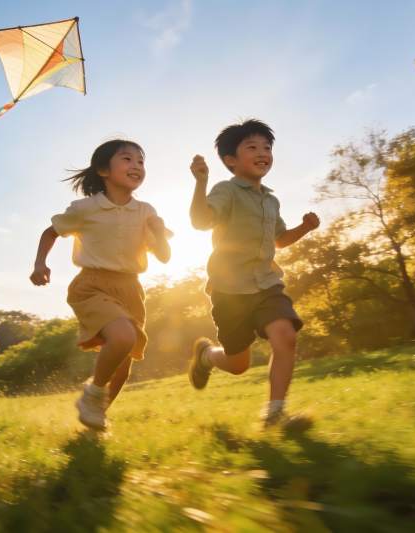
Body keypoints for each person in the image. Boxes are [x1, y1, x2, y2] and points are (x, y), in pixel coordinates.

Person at [31, 139, 171, 431]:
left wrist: (158, 231)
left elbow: (164, 257)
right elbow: (51, 232)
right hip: (93, 284)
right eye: (127, 159)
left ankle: (96, 417)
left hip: (131, 288)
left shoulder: (146, 211)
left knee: (125, 361)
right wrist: (40, 264)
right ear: (103, 170)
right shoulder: (86, 208)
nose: (136, 166)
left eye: (141, 162)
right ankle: (93, 393)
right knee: (121, 337)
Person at [187, 119, 320, 428]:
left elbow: (280, 239)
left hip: (267, 285)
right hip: (230, 291)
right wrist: (200, 182)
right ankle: (206, 356)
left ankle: (275, 413)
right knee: (237, 364)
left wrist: (305, 227)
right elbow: (200, 221)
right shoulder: (227, 191)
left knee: (285, 336)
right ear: (230, 160)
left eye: (267, 147)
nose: (263, 153)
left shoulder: (270, 200)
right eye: (252, 147)